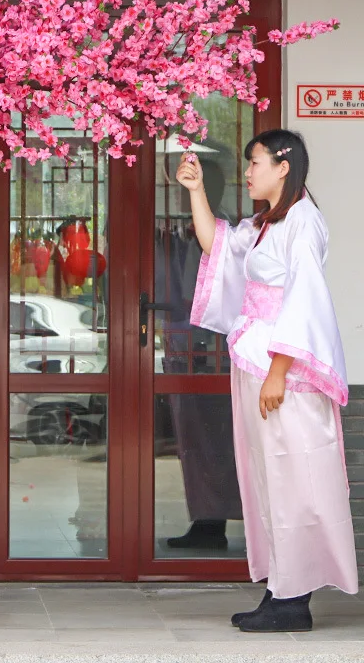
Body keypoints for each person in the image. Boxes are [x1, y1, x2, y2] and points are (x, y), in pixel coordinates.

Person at [176, 129, 358, 632]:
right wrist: (195, 191)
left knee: (292, 479)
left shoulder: (303, 222)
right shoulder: (266, 222)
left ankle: (293, 597)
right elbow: (220, 247)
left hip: (282, 373)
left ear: (283, 165)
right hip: (258, 363)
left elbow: (306, 302)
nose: (248, 172)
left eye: (254, 162)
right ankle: (281, 588)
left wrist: (278, 371)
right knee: (268, 479)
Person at [158, 158, 243, 551]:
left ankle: (213, 523)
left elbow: (203, 295)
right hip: (190, 348)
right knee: (196, 441)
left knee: (214, 441)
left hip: (209, 353)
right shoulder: (185, 229)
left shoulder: (218, 231)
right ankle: (207, 520)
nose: (180, 191)